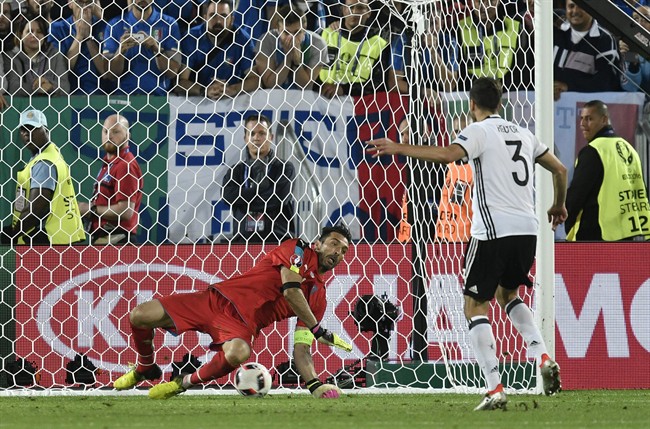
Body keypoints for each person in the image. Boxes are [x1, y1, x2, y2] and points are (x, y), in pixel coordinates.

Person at [367, 77, 567, 410]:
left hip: (491, 230)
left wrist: (398, 147)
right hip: (527, 229)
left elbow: (448, 154)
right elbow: (559, 169)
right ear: (500, 103)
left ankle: (494, 387)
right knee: (508, 295)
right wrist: (559, 205)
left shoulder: (478, 131)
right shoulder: (524, 133)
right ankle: (543, 356)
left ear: (472, 104)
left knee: (474, 306)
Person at [112, 224, 353, 400]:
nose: (337, 252)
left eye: (343, 251)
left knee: (239, 353)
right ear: (318, 244)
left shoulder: (318, 299)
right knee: (140, 315)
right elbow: (291, 290)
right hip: (215, 300)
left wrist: (315, 385)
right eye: (334, 244)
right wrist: (317, 329)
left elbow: (302, 349)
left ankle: (182, 383)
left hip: (243, 325)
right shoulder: (297, 248)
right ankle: (145, 367)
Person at [565, 100, 650, 241]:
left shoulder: (594, 150)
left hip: (596, 233)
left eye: (589, 119)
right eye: (582, 119)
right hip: (626, 233)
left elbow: (577, 194)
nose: (583, 124)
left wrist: (568, 222)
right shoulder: (629, 148)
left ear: (604, 120)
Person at [2, 109, 86, 245]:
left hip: (46, 240)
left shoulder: (44, 163)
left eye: (32, 128)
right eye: (23, 130)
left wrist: (13, 233)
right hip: (59, 238)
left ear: (46, 130)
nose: (26, 133)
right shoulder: (51, 155)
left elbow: (36, 208)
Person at [222, 114, 296, 243]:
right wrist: (260, 190)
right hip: (243, 243)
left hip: (278, 241)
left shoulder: (284, 168)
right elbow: (227, 196)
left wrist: (244, 201)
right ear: (245, 138)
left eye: (262, 133)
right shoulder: (236, 170)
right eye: (252, 133)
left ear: (271, 137)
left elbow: (278, 199)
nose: (256, 138)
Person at [78, 114, 144, 245]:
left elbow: (125, 211)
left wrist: (90, 209)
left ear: (128, 135)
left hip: (118, 241)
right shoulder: (110, 164)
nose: (109, 136)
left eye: (116, 131)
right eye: (105, 131)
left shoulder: (125, 165)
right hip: (105, 239)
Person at [177, 0, 258, 99]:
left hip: (231, 101)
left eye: (223, 16)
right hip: (197, 100)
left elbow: (255, 79)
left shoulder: (242, 39)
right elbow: (180, 82)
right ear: (205, 18)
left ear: (232, 20)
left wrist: (233, 89)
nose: (218, 21)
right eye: (213, 15)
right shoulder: (192, 37)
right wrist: (205, 90)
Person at [103, 0, 182, 95]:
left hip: (158, 98)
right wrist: (120, 52)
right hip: (124, 97)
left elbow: (173, 72)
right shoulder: (115, 25)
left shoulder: (169, 24)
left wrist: (157, 50)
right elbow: (110, 75)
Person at [317, 0, 394, 98]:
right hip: (322, 98)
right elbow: (310, 71)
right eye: (350, 7)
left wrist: (343, 89)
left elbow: (377, 83)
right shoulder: (326, 35)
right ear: (343, 9)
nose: (354, 12)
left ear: (368, 12)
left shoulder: (378, 44)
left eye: (360, 8)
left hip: (359, 103)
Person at [450, 0, 532, 91]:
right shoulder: (459, 29)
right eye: (478, 1)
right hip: (472, 95)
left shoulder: (516, 29)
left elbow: (523, 73)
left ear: (499, 1)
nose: (484, 6)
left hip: (509, 95)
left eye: (490, 1)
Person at [553, 0, 622, 101]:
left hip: (586, 105)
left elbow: (606, 82)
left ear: (592, 9)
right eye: (571, 6)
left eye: (581, 6)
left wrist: (568, 87)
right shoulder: (555, 31)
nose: (575, 11)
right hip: (548, 102)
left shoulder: (605, 39)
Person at [254, 6, 328, 91]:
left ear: (304, 29)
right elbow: (270, 84)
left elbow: (305, 86)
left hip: (303, 97)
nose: (292, 37)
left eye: (297, 32)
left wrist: (297, 63)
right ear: (278, 30)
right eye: (286, 32)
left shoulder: (318, 44)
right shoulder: (265, 41)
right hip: (273, 96)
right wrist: (288, 60)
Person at [48, 0, 108, 94]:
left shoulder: (104, 27)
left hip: (100, 95)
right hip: (68, 96)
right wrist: (79, 37)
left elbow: (106, 72)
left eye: (88, 3)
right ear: (70, 3)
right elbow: (59, 72)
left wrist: (88, 38)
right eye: (79, 3)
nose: (84, 7)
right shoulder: (57, 28)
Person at [6, 16, 71, 96]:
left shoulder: (55, 55)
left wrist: (50, 87)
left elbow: (65, 87)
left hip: (50, 104)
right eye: (29, 31)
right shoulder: (10, 57)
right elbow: (12, 87)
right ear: (21, 34)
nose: (34, 35)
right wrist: (36, 88)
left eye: (39, 32)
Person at [436, 115, 474, 243]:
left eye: (465, 131)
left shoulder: (476, 169)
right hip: (441, 239)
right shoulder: (449, 165)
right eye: (457, 131)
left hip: (464, 242)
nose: (461, 136)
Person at [620, 5, 650, 96]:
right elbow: (630, 88)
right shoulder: (629, 46)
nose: (640, 23)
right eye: (636, 19)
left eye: (646, 18)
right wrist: (633, 64)